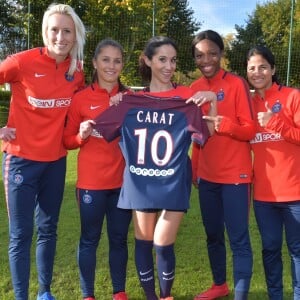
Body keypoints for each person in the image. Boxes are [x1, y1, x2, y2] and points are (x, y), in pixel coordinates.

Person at [86, 36, 217, 300]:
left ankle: (165, 294)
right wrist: (112, 105)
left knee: (162, 242)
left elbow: (207, 133)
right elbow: (100, 127)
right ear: (147, 60)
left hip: (174, 179)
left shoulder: (186, 98)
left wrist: (212, 101)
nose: (169, 66)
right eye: (162, 59)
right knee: (143, 242)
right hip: (141, 181)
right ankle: (151, 297)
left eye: (173, 60)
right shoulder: (131, 100)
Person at [0, 4, 86, 300]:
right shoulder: (20, 62)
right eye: (54, 29)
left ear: (75, 37)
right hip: (20, 162)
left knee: (48, 230)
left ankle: (44, 292)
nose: (60, 36)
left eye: (67, 31)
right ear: (44, 32)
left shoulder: (76, 73)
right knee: (21, 236)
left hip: (56, 163)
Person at [63, 38, 132, 300]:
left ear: (122, 64)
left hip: (123, 185)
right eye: (106, 59)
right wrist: (82, 135)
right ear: (94, 63)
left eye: (117, 61)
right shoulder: (80, 99)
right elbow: (67, 141)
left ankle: (119, 292)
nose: (111, 66)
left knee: (119, 240)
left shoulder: (130, 99)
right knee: (89, 239)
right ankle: (87, 294)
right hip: (91, 184)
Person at [190, 30, 255, 300]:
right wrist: (195, 171)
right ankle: (220, 285)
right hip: (207, 177)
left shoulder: (236, 84)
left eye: (212, 53)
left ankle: (240, 295)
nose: (206, 60)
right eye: (200, 55)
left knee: (238, 238)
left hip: (236, 176)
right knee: (213, 234)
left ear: (221, 54)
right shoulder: (193, 90)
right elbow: (194, 136)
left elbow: (249, 130)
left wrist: (223, 125)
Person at [247, 45, 300, 300]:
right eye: (252, 68)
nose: (257, 72)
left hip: (295, 193)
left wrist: (275, 123)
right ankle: (275, 296)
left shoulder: (292, 97)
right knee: (270, 249)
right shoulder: (247, 102)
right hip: (264, 196)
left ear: (273, 69)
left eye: (263, 67)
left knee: (297, 250)